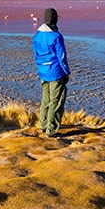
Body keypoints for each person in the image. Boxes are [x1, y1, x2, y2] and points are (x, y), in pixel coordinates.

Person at [32, 8, 70, 137]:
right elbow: (62, 57)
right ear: (55, 19)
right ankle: (51, 130)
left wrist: (41, 67)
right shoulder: (56, 36)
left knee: (46, 99)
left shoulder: (37, 35)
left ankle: (43, 125)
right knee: (56, 101)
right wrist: (66, 72)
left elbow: (36, 54)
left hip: (43, 72)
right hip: (56, 72)